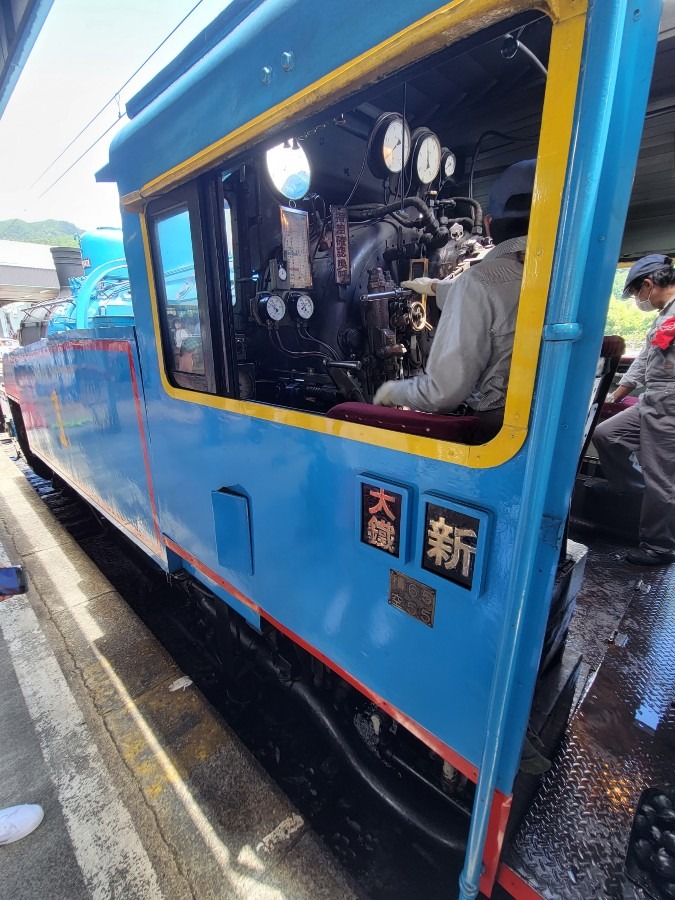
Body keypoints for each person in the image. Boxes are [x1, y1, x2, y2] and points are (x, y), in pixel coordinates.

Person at [373, 158, 536, 441]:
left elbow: (443, 394)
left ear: (489, 223)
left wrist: (392, 392)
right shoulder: (556, 272)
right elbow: (500, 297)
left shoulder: (480, 280)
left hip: (498, 431)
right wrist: (436, 287)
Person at [593, 254, 675, 566]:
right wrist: (617, 394)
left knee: (662, 476)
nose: (639, 300)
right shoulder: (664, 315)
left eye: (637, 293)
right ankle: (631, 488)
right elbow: (646, 360)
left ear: (649, 285)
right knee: (607, 434)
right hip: (650, 400)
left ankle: (659, 546)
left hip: (669, 404)